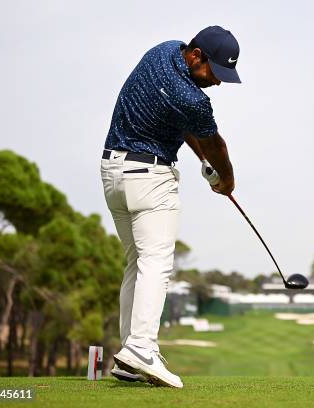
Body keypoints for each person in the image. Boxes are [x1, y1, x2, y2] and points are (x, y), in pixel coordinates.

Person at [100, 26, 240, 388]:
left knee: (137, 261)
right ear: (196, 56)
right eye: (216, 72)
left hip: (113, 172)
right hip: (150, 177)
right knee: (156, 262)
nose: (218, 83)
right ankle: (142, 349)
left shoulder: (162, 51)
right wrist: (226, 179)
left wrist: (203, 164)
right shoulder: (193, 98)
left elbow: (184, 126)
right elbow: (215, 144)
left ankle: (130, 357)